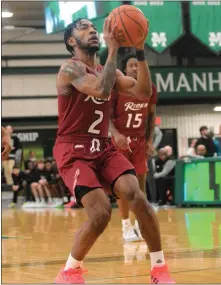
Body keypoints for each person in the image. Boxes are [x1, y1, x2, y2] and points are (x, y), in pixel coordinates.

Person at [53, 18, 174, 284]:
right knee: (100, 214)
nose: (93, 30)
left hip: (103, 147)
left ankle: (159, 269)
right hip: (73, 148)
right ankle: (70, 271)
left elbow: (143, 91)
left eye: (94, 27)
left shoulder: (110, 71)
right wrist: (113, 49)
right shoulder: (70, 68)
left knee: (136, 196)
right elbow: (100, 88)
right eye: (84, 28)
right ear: (71, 41)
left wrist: (140, 51)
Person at [109, 53, 157, 242]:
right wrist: (116, 134)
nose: (135, 68)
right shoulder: (117, 89)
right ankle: (126, 226)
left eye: (138, 65)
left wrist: (150, 140)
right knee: (123, 188)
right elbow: (108, 117)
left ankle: (139, 223)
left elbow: (152, 117)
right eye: (131, 65)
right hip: (120, 142)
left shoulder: (150, 89)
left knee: (140, 185)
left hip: (139, 141)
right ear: (125, 69)